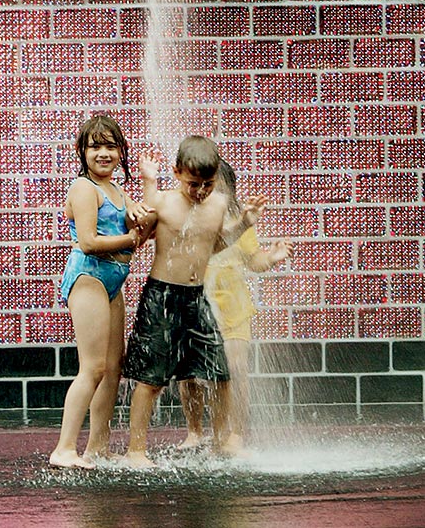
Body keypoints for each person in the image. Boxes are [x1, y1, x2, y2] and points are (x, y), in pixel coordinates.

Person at [121, 135, 266, 468]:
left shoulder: (217, 205)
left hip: (196, 297)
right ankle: (136, 451)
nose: (200, 191)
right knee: (151, 378)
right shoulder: (164, 201)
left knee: (220, 372)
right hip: (163, 296)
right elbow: (139, 233)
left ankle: (222, 441)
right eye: (193, 184)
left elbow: (213, 245)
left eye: (207, 184)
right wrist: (145, 183)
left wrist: (244, 222)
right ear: (176, 174)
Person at [49, 112, 156, 469]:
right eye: (95, 147)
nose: (103, 154)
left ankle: (97, 447)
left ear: (121, 151)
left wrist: (146, 197)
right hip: (89, 278)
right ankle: (65, 448)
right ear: (82, 151)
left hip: (114, 280)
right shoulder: (84, 188)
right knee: (92, 367)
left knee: (113, 368)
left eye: (110, 146)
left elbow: (142, 225)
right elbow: (90, 242)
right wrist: (131, 239)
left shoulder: (116, 190)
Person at [179, 160, 293, 455]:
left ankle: (236, 436)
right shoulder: (188, 219)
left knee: (236, 369)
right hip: (195, 307)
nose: (211, 194)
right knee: (190, 373)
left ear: (231, 193)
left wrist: (272, 257)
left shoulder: (240, 222)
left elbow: (253, 262)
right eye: (205, 187)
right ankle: (195, 431)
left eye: (218, 188)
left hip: (233, 309)